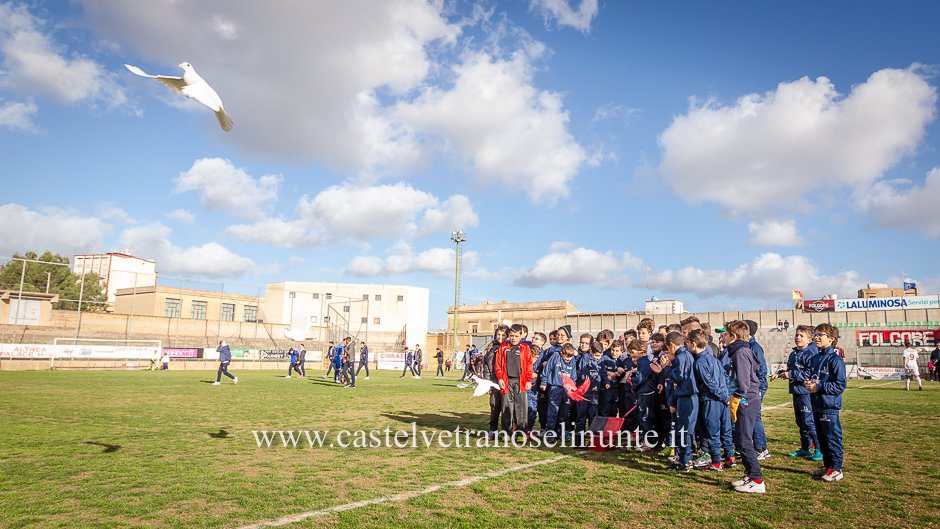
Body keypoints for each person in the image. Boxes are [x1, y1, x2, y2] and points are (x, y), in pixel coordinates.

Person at [725, 320, 765, 493]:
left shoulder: (740, 353)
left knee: (744, 440)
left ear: (733, 336)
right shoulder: (740, 351)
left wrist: (736, 398)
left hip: (746, 400)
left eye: (725, 334)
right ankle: (750, 474)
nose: (723, 337)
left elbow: (743, 382)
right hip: (747, 398)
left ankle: (757, 479)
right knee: (741, 439)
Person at [806, 324, 847, 483]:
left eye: (820, 335)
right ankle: (827, 465)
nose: (816, 337)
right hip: (816, 404)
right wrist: (809, 383)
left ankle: (836, 468)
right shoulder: (816, 357)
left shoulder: (835, 360)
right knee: (822, 439)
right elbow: (814, 378)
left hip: (829, 406)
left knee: (832, 438)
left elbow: (840, 385)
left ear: (831, 339)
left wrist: (819, 387)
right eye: (815, 334)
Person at [774, 325, 821, 461]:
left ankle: (819, 449)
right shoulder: (793, 353)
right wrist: (780, 373)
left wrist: (791, 374)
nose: (798, 338)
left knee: (808, 422)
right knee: (800, 422)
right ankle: (805, 448)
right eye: (797, 335)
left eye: (802, 336)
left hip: (806, 392)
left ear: (810, 339)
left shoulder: (811, 353)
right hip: (796, 391)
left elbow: (809, 373)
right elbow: (790, 370)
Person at [690, 329, 732, 471]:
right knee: (725, 430)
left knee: (713, 431)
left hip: (711, 400)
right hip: (722, 399)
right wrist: (726, 394)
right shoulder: (714, 358)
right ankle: (729, 456)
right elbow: (726, 378)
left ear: (693, 344)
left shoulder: (700, 362)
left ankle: (716, 461)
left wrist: (723, 395)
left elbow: (709, 383)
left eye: (688, 343)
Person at [664, 331, 698, 472]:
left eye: (667, 348)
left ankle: (685, 461)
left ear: (672, 345)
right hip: (684, 397)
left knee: (684, 431)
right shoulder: (684, 356)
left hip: (686, 397)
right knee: (682, 430)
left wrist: (667, 368)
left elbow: (679, 377)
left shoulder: (682, 357)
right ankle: (683, 458)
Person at [494, 324, 534, 436]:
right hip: (507, 382)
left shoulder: (525, 348)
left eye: (516, 336)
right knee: (506, 408)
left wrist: (528, 380)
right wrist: (500, 378)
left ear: (521, 336)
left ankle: (521, 434)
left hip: (520, 382)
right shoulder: (502, 348)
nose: (513, 338)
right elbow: (498, 365)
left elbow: (529, 365)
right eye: (511, 335)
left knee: (521, 409)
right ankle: (506, 432)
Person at [541, 342, 579, 437]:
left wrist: (573, 388)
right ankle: (550, 433)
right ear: (562, 353)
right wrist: (543, 382)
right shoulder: (555, 356)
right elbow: (547, 369)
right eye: (566, 357)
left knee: (565, 412)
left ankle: (562, 433)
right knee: (553, 411)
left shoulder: (572, 359)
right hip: (555, 388)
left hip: (566, 389)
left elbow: (574, 376)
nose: (568, 360)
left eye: (570, 358)